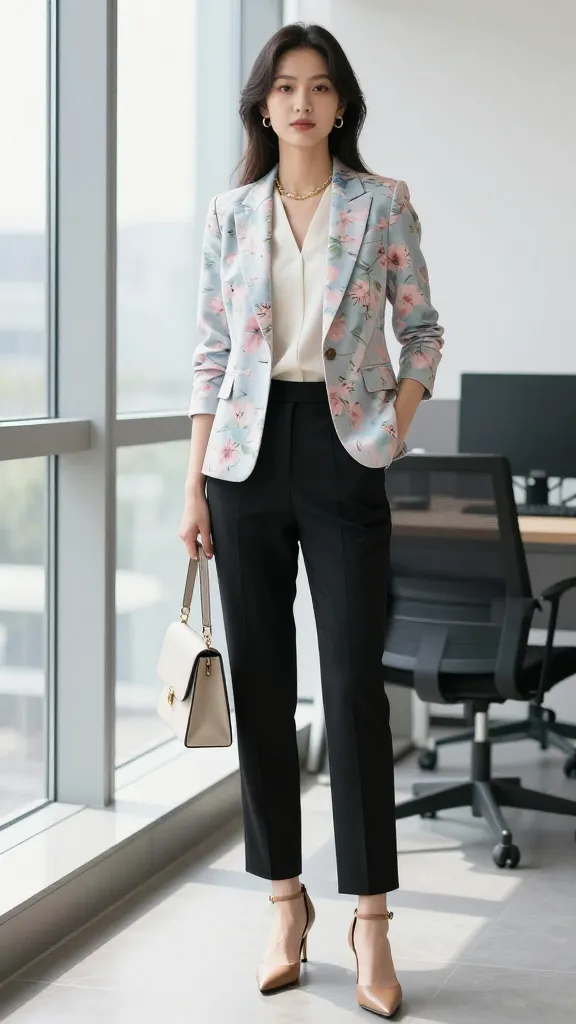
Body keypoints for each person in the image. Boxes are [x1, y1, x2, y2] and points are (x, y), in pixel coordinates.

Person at [179, 22, 444, 1019]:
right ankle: (283, 902)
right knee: (263, 684)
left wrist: (389, 425)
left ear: (341, 106)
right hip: (245, 459)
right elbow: (210, 352)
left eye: (321, 87)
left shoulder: (381, 206)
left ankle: (370, 917)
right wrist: (196, 483)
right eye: (285, 86)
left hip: (342, 452)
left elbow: (421, 329)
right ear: (262, 104)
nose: (302, 102)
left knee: (350, 691)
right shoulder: (229, 214)